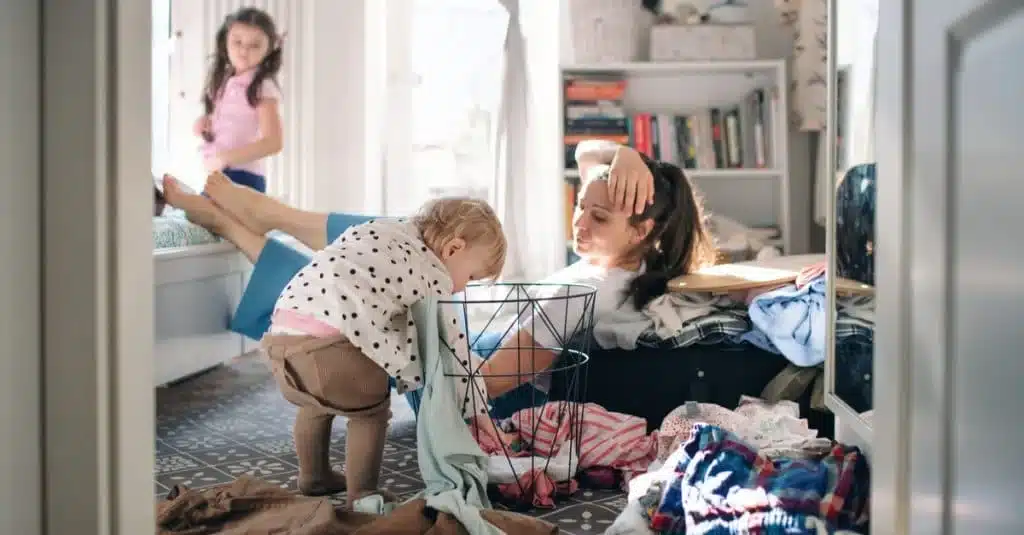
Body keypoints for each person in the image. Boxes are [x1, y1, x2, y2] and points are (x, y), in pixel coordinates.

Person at [161, 139, 714, 412]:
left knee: (394, 248)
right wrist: (624, 155)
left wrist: (405, 333)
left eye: (599, 216)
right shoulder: (626, 269)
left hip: (451, 383)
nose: (580, 222)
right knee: (350, 273)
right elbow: (587, 152)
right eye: (579, 205)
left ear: (642, 231)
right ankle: (242, 224)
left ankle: (268, 217)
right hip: (454, 350)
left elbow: (482, 386)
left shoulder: (581, 293)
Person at [253, 195, 505, 501]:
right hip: (331, 347)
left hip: (281, 340)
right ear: (453, 249)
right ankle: (362, 494)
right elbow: (454, 349)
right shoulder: (434, 272)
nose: (463, 287)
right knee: (370, 414)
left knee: (315, 404)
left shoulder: (382, 229)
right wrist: (478, 411)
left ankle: (314, 476)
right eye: (471, 276)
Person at [195, 7, 284, 193]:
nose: (244, 50)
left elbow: (274, 142)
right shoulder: (224, 81)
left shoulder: (262, 86)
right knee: (196, 214)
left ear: (269, 49)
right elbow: (231, 123)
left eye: (255, 45)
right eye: (237, 42)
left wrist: (226, 158)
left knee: (199, 214)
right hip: (220, 173)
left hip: (243, 176)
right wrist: (205, 123)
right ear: (225, 42)